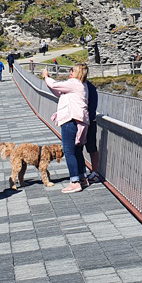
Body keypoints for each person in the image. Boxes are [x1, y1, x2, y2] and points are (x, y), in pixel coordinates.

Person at [42, 63, 88, 193]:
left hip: (69, 120)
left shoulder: (73, 83)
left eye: (71, 71)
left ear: (77, 73)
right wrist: (48, 82)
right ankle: (82, 177)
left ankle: (74, 182)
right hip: (79, 121)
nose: (69, 73)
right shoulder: (82, 86)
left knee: (69, 152)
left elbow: (55, 85)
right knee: (77, 151)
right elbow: (59, 93)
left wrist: (46, 77)